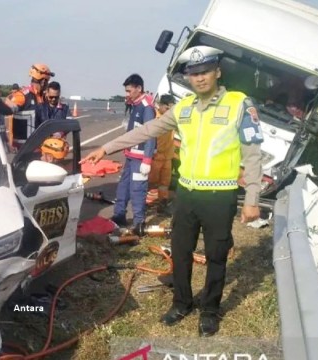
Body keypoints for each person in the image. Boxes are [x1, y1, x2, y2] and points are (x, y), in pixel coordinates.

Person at [80, 45, 264, 337]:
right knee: (180, 252)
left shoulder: (239, 104)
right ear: (189, 78)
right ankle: (181, 303)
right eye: (194, 73)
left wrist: (252, 199)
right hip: (187, 196)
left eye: (205, 72)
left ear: (217, 72)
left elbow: (253, 155)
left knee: (216, 256)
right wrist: (106, 147)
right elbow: (147, 130)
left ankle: (210, 311)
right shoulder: (185, 107)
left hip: (220, 197)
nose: (200, 78)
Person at [110, 74, 156, 235]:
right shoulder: (135, 104)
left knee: (137, 189)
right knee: (123, 186)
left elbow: (151, 133)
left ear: (139, 88)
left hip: (140, 157)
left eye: (129, 91)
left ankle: (139, 222)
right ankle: (119, 215)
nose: (127, 94)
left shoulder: (146, 107)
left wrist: (147, 160)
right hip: (131, 155)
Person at [4, 64, 54, 149]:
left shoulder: (42, 97)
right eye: (46, 81)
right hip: (23, 148)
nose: (46, 84)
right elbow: (7, 107)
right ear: (43, 81)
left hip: (38, 146)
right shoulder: (23, 95)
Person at [146, 94, 176, 213]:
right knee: (150, 182)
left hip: (167, 157)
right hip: (156, 157)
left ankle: (162, 204)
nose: (169, 111)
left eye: (171, 109)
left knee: (165, 183)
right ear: (161, 106)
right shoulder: (153, 118)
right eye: (167, 108)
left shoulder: (172, 119)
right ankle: (145, 204)